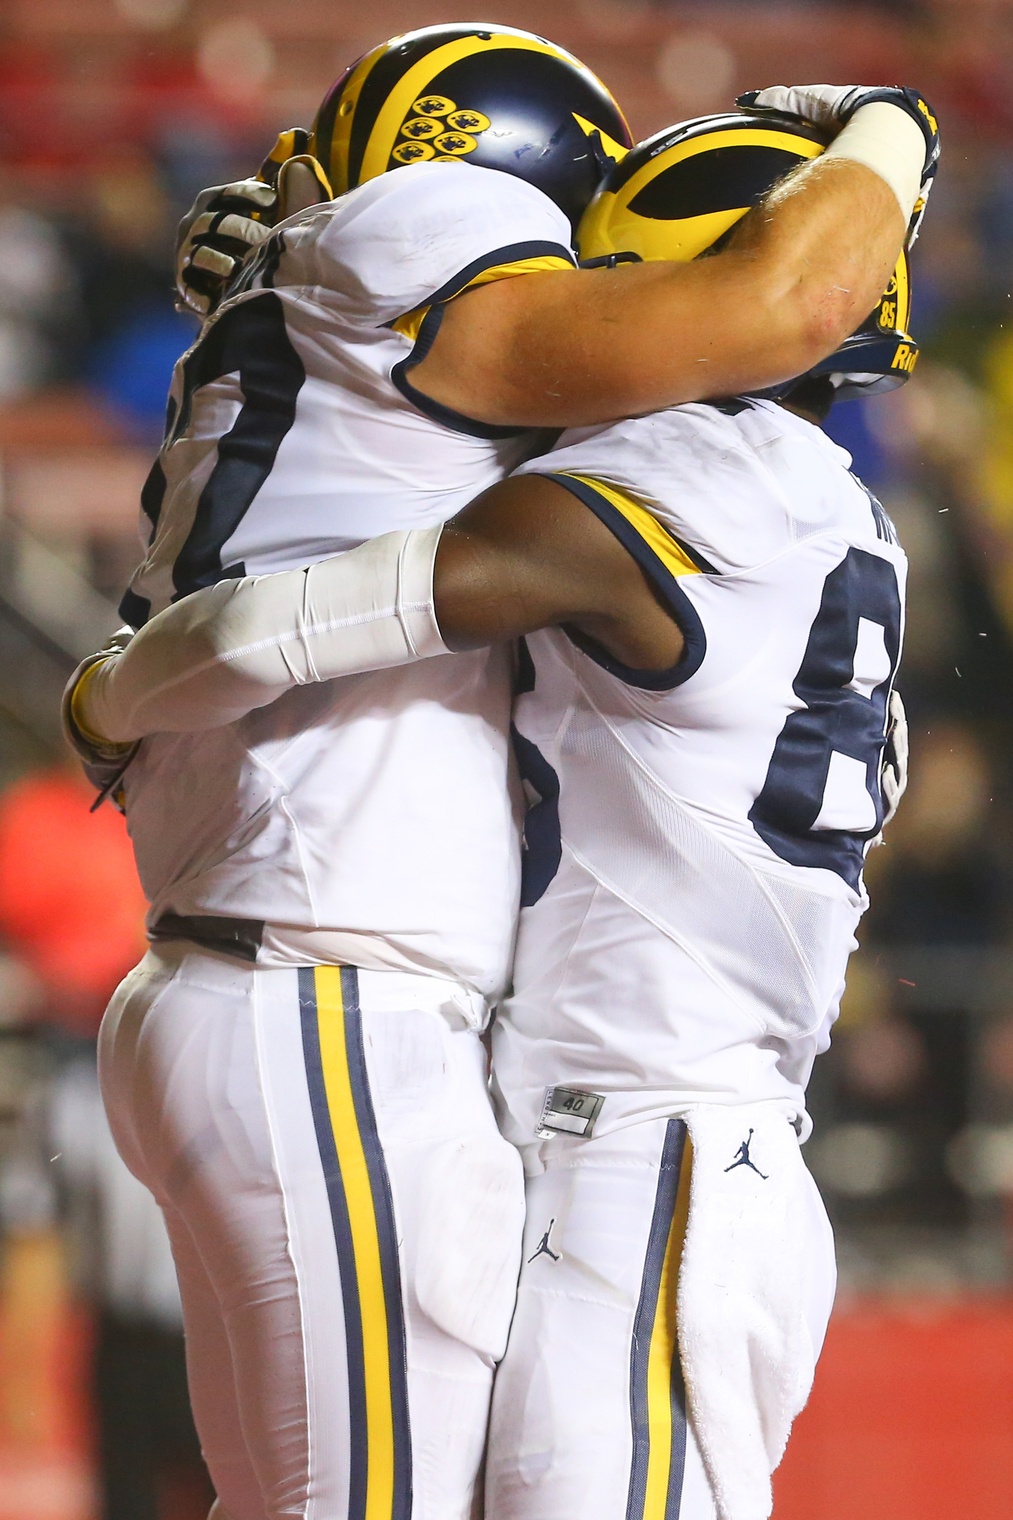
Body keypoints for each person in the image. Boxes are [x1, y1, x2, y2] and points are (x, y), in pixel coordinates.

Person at [64, 39, 934, 1520]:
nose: (585, 308)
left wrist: (108, 698)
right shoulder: (815, 511)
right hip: (583, 1110)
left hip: (647, 1145)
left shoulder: (695, 480)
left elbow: (300, 611)